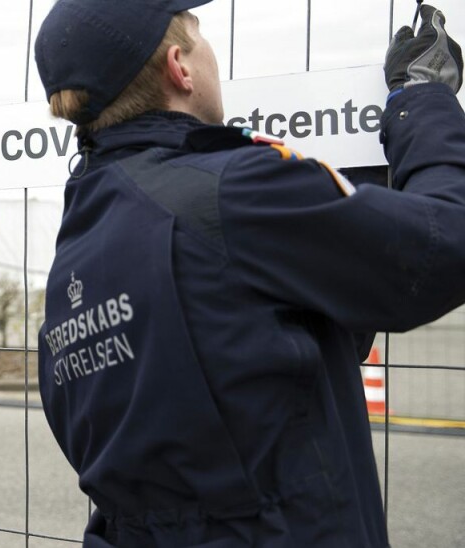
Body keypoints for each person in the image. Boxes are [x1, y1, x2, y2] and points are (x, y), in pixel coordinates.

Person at [35, 1, 464, 546]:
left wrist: (348, 208)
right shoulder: (232, 191)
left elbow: (259, 351)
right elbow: (444, 243)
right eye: (199, 36)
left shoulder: (77, 245)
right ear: (180, 68)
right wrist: (421, 101)